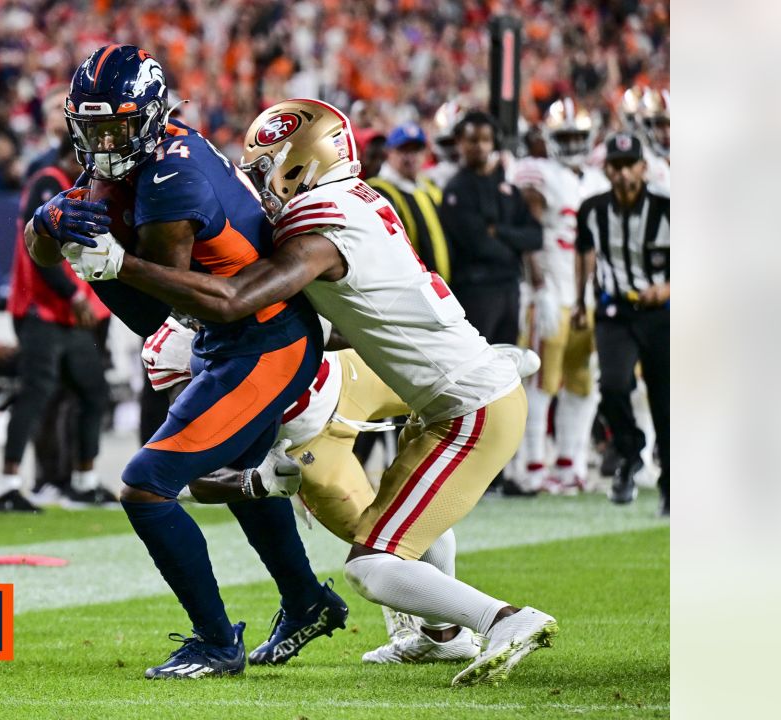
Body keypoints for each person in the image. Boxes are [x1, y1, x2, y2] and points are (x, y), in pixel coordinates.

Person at [75, 98, 559, 687]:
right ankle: (443, 636)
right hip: (449, 392)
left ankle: (504, 620)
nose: (260, 180)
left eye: (267, 165)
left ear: (301, 162)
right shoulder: (355, 200)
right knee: (402, 519)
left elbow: (231, 301)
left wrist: (121, 264)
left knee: (374, 566)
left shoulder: (319, 228)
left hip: (465, 405)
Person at [26, 46, 346, 679]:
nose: (105, 141)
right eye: (93, 129)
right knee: (238, 473)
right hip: (236, 339)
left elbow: (157, 303)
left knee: (146, 487)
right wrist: (46, 221)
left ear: (146, 116)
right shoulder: (145, 156)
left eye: (117, 126)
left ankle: (215, 640)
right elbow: (47, 249)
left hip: (261, 339)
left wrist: (97, 262)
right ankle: (307, 599)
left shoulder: (173, 175)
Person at [143, 312, 543, 665]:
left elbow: (346, 326)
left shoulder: (252, 282)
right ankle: (445, 636)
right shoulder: (172, 348)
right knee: (384, 542)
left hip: (347, 376)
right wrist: (254, 481)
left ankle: (482, 367)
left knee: (451, 385)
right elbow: (186, 461)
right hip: (307, 443)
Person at [1, 137, 115, 512]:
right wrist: (75, 295)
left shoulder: (84, 188)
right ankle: (6, 485)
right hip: (42, 311)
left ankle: (83, 481)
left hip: (70, 316)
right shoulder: (48, 182)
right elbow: (40, 252)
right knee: (36, 394)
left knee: (93, 393)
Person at [508, 99, 609, 494]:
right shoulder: (538, 174)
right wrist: (538, 287)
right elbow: (532, 235)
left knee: (583, 382)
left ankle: (572, 463)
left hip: (587, 295)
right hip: (550, 291)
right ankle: (534, 465)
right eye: (563, 136)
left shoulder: (598, 180)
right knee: (541, 383)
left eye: (577, 137)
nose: (570, 144)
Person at [574, 133, 670, 515]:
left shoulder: (667, 206)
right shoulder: (592, 209)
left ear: (644, 168)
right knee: (612, 385)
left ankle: (671, 486)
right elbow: (583, 251)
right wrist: (579, 299)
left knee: (663, 399)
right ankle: (630, 450)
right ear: (607, 168)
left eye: (630, 165)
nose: (623, 173)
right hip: (613, 310)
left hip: (661, 314)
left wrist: (666, 289)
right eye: (616, 165)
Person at [439, 111, 543, 348]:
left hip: (510, 289)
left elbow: (536, 237)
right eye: (472, 140)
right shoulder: (456, 190)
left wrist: (500, 232)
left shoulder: (506, 186)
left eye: (485, 140)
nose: (480, 147)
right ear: (460, 143)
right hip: (475, 290)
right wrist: (515, 246)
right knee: (478, 365)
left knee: (507, 363)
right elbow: (477, 244)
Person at [370, 122, 450, 282]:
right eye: (404, 150)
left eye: (416, 150)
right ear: (389, 152)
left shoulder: (428, 187)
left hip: (440, 289)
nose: (411, 157)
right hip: (408, 291)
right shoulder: (378, 192)